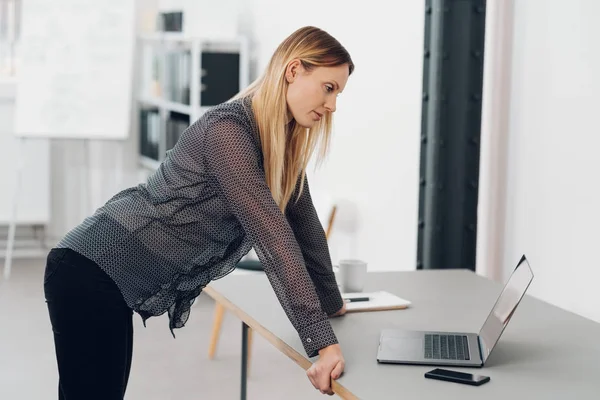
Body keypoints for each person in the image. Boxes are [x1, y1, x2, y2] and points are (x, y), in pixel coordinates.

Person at [43, 25, 354, 399]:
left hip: (106, 282)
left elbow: (305, 229)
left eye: (338, 93)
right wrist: (322, 342)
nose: (333, 105)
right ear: (293, 71)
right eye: (329, 87)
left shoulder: (278, 142)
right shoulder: (228, 130)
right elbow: (273, 236)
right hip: (88, 269)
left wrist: (331, 304)